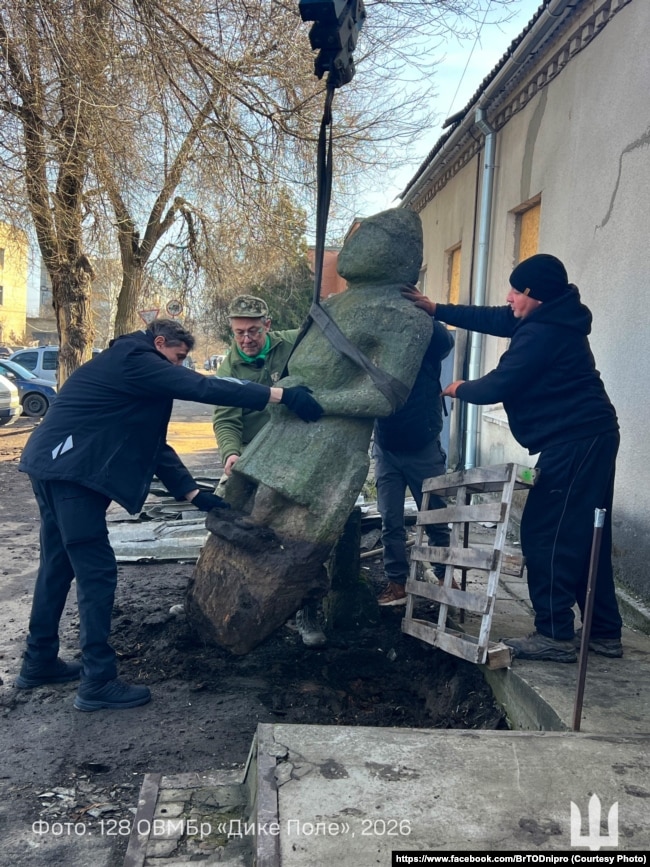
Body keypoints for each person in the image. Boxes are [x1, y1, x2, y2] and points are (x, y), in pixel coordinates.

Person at [15, 318, 322, 710]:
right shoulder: (135, 359)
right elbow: (204, 386)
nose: (177, 368)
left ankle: (38, 661)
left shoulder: (132, 372)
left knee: (57, 567)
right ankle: (97, 682)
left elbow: (154, 445)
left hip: (50, 466)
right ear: (159, 342)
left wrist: (195, 495)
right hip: (73, 474)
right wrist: (281, 395)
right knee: (97, 573)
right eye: (176, 358)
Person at [402, 254, 622, 663]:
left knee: (546, 533)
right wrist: (438, 309)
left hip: (576, 440)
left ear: (533, 295)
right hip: (590, 436)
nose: (509, 298)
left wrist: (458, 387)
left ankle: (555, 635)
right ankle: (604, 631)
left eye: (515, 291)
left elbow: (501, 383)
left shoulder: (543, 335)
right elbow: (497, 318)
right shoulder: (551, 315)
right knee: (587, 535)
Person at [374, 321, 455, 606]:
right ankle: (397, 583)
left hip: (423, 449)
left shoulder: (429, 345)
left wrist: (421, 311)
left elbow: (446, 340)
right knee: (390, 520)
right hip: (387, 448)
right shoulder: (380, 347)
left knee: (435, 517)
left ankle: (446, 578)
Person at [212, 295, 298, 480]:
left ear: (267, 325)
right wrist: (231, 453)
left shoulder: (293, 343)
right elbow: (226, 420)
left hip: (295, 442)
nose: (246, 339)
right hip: (252, 449)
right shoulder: (228, 373)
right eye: (239, 332)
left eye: (253, 331)